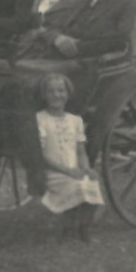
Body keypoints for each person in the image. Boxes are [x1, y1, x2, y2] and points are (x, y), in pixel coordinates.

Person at [36, 73, 103, 242]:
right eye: (51, 91)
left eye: (60, 91)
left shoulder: (75, 121)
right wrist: (67, 171)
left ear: (67, 94)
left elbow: (81, 152)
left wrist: (86, 168)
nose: (56, 95)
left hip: (74, 169)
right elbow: (41, 155)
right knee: (76, 185)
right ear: (44, 95)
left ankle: (83, 228)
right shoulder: (40, 119)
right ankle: (68, 228)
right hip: (53, 171)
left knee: (91, 184)